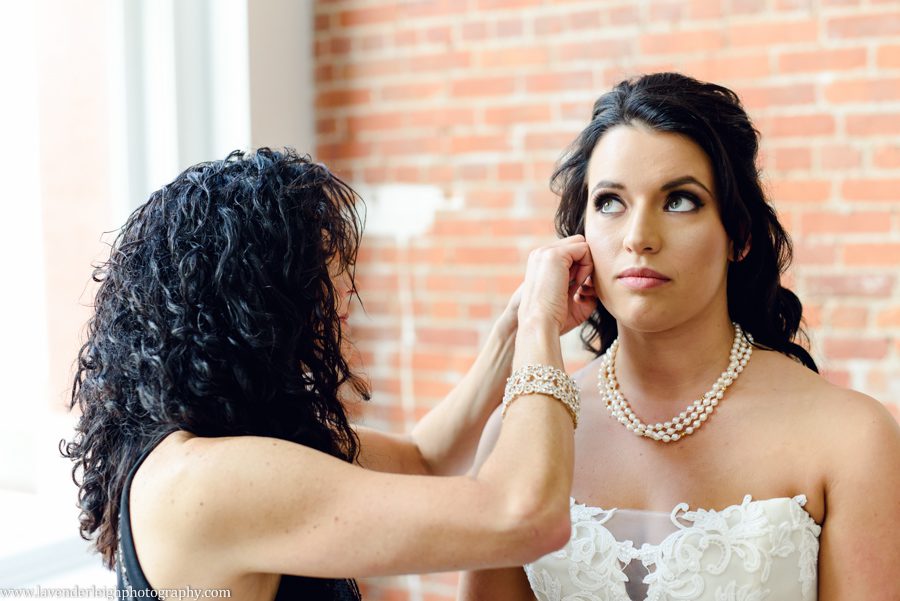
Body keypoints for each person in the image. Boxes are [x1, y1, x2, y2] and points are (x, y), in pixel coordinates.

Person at [62, 148, 599, 601]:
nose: (339, 297)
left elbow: (423, 459)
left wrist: (510, 330)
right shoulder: (214, 479)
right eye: (316, 276)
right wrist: (540, 326)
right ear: (255, 303)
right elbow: (525, 518)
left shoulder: (228, 446)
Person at [459, 73, 900, 601]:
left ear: (739, 237)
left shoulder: (852, 438)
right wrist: (535, 328)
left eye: (680, 201)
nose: (639, 237)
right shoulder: (517, 438)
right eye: (609, 202)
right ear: (578, 236)